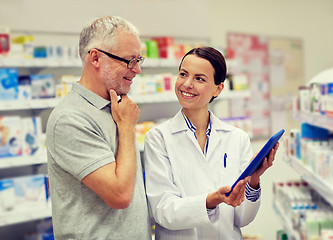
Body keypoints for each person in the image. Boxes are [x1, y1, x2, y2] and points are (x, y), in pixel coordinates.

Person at [144, 47, 279, 239]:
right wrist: (211, 200)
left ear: (218, 88)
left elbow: (242, 218)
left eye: (199, 78)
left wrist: (253, 181)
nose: (187, 84)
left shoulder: (237, 138)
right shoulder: (158, 137)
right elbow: (163, 210)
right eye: (183, 74)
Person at [46, 16, 151, 239]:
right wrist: (126, 127)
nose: (137, 70)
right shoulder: (70, 118)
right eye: (130, 60)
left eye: (139, 59)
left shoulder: (118, 108)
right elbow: (119, 195)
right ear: (95, 58)